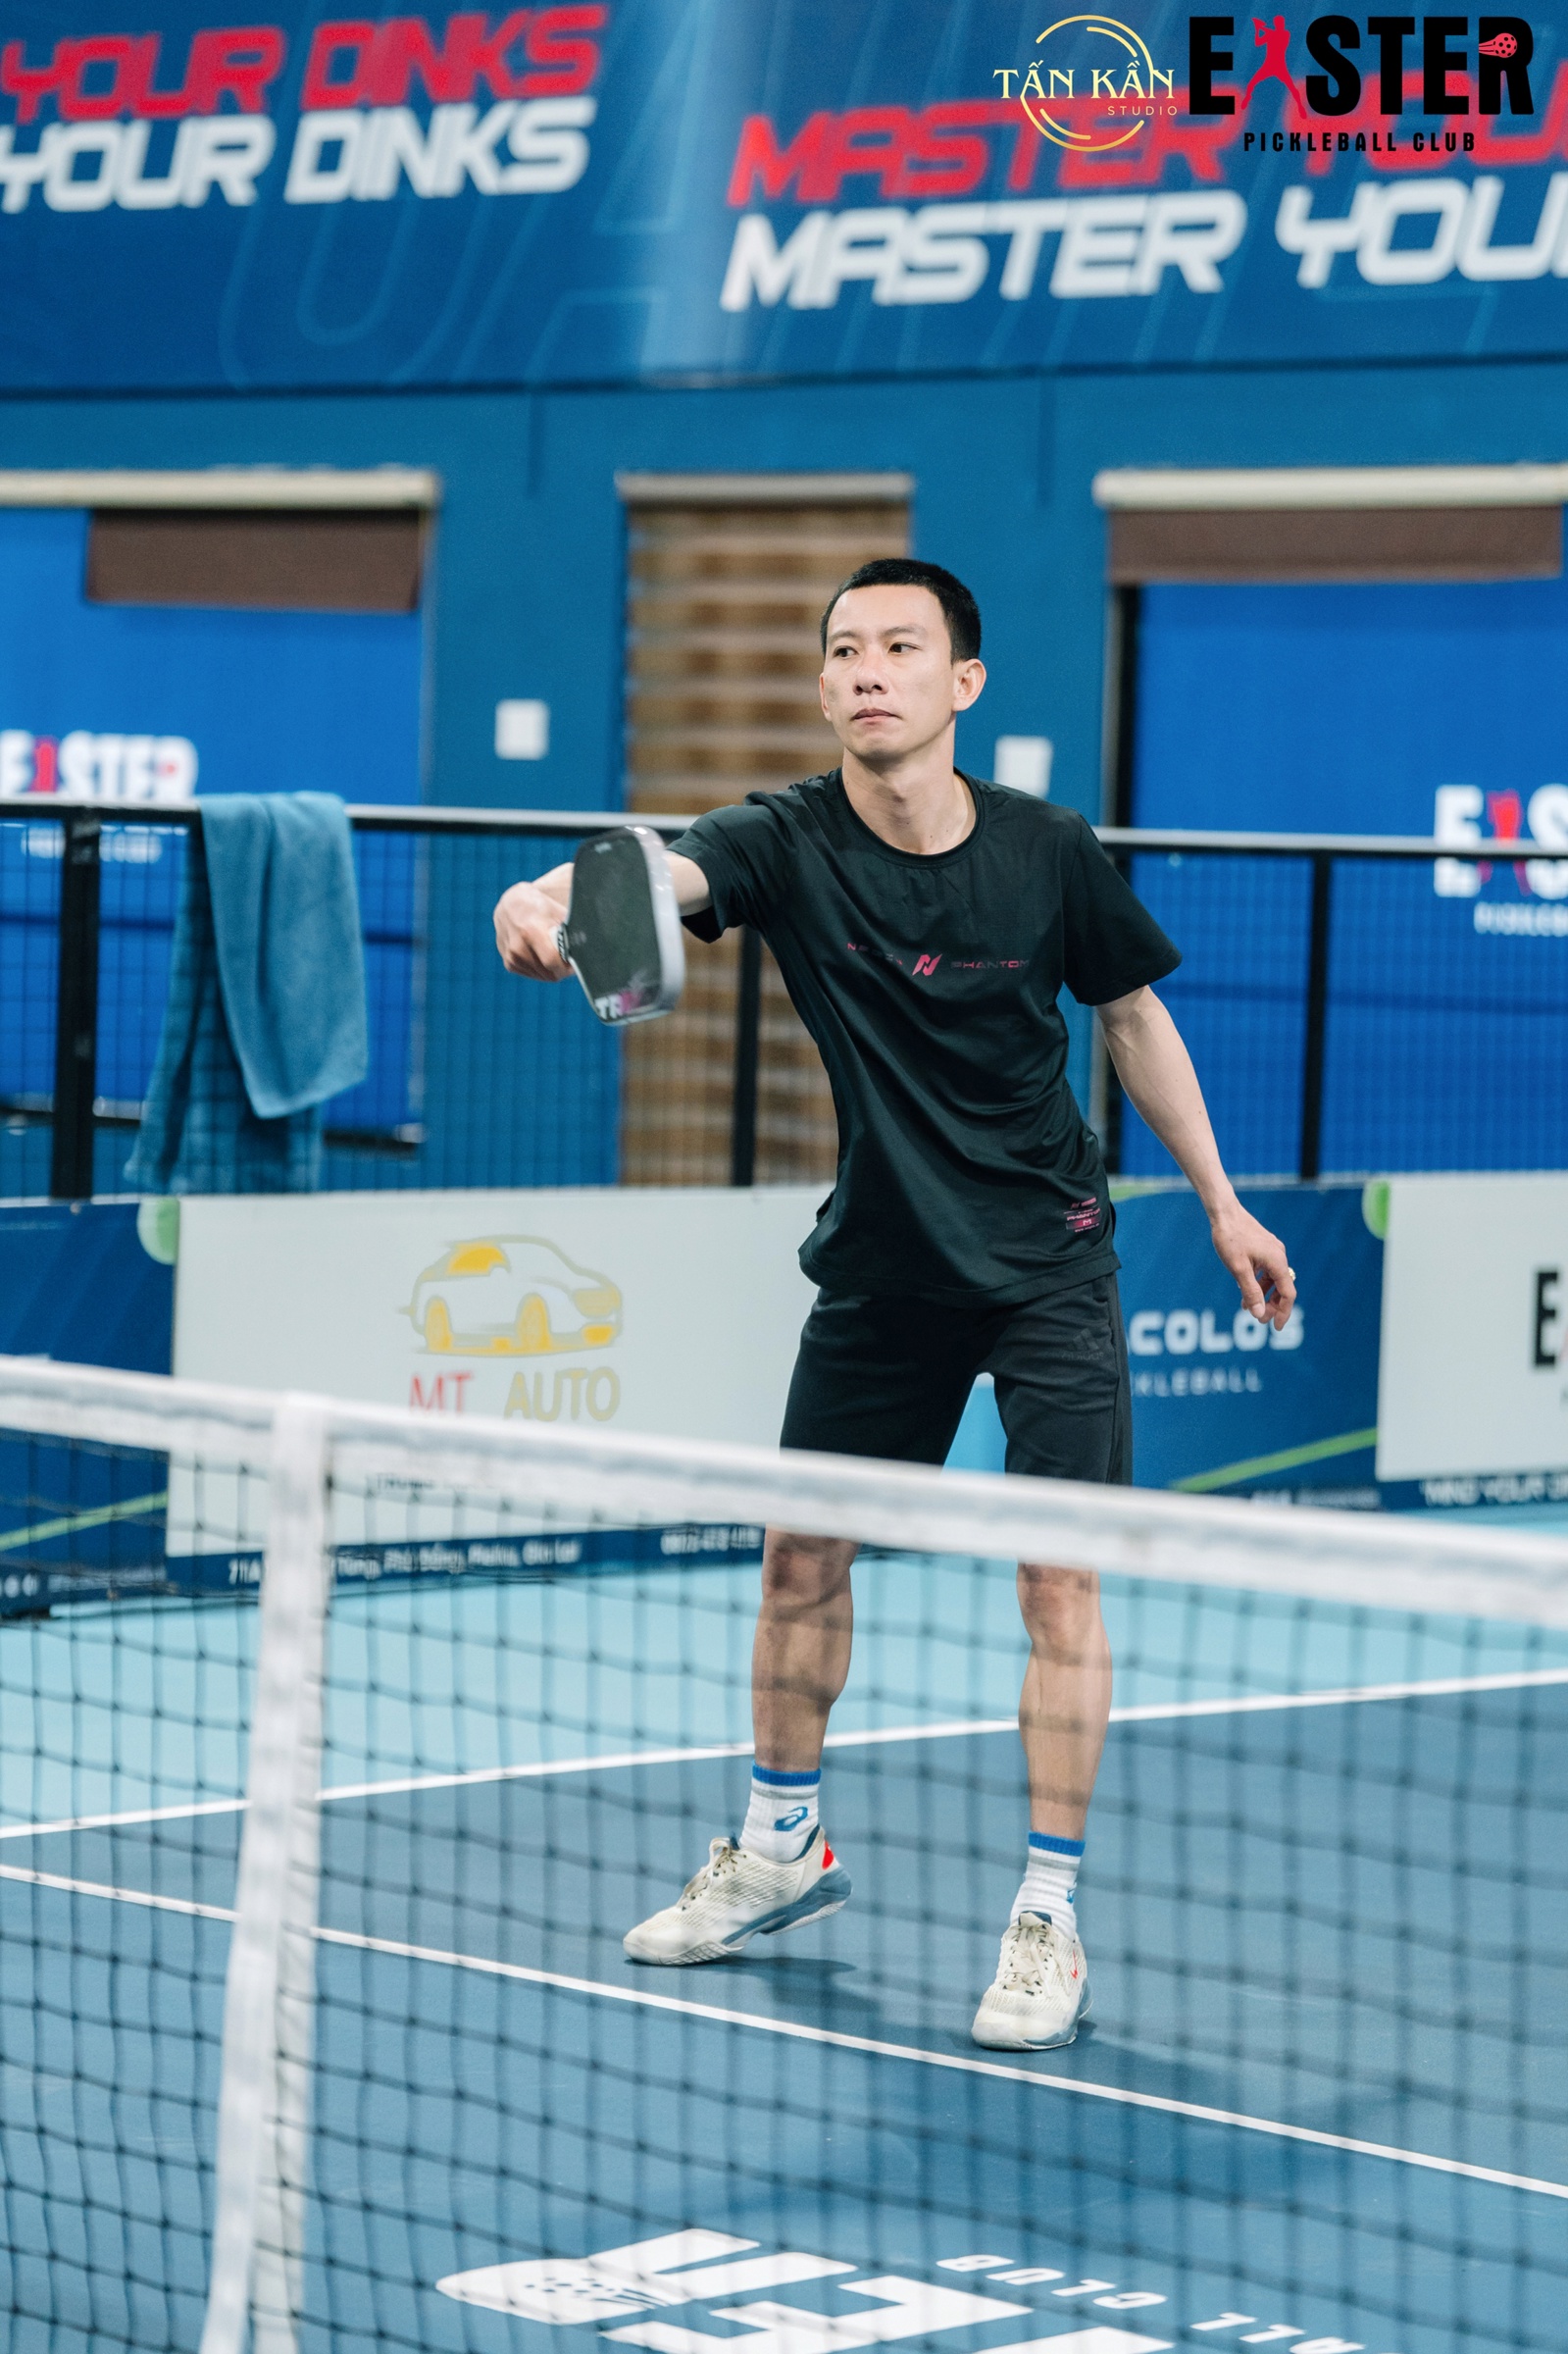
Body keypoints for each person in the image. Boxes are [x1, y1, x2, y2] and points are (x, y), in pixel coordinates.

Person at [492, 557, 1294, 2051]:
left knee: (1056, 1580)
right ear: (823, 687)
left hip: (1049, 1259)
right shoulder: (785, 837)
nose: (869, 669)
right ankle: (781, 1847)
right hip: (883, 1261)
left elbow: (1130, 1015)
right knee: (799, 1557)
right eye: (846, 649)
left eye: (901, 648)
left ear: (960, 683)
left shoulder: (1049, 850)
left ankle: (1048, 1914)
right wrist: (540, 896)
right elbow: (662, 874)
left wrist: (1223, 1201)